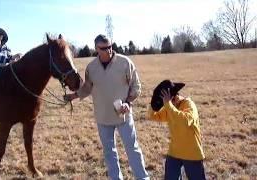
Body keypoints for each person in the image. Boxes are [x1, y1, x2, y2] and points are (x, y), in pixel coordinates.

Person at [64, 34, 149, 180]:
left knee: (132, 149)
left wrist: (128, 102)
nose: (109, 50)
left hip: (123, 116)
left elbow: (136, 86)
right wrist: (72, 96)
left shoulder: (125, 63)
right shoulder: (91, 68)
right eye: (104, 48)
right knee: (110, 153)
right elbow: (87, 88)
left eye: (110, 46)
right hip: (103, 117)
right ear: (96, 49)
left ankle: (142, 178)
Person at [146, 80, 206, 180]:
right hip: (174, 152)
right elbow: (153, 116)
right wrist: (154, 103)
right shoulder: (169, 107)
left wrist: (168, 105)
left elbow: (184, 121)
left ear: (173, 97)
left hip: (191, 153)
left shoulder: (189, 104)